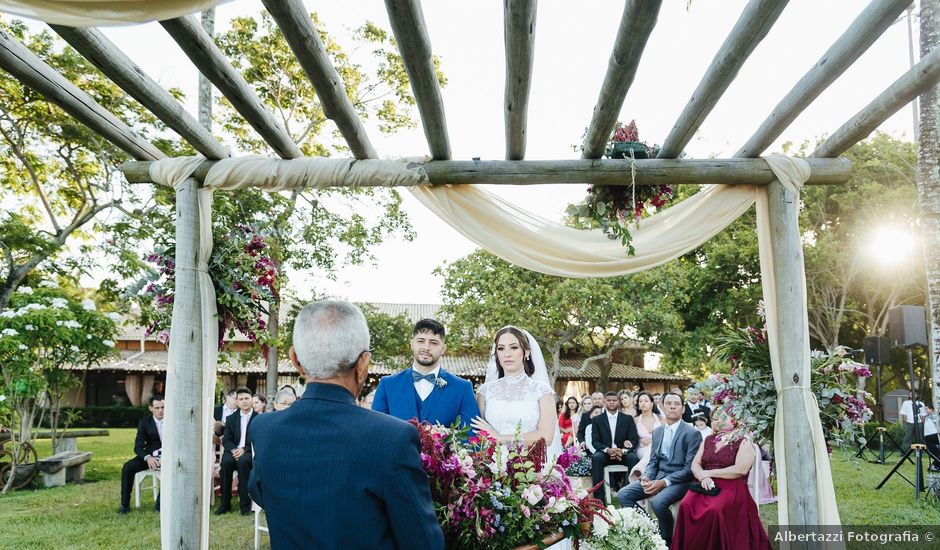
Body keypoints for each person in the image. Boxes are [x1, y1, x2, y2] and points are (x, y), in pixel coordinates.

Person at [248, 300, 443, 549]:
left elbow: (261, 492)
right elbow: (423, 542)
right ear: (363, 364)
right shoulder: (392, 437)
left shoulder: (264, 429)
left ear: (295, 359)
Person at [471, 326, 570, 550]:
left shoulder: (541, 391)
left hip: (533, 470)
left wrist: (499, 437)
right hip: (493, 474)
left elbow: (545, 435)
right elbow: (479, 434)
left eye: (513, 347)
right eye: (501, 348)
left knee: (532, 535)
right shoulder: (485, 392)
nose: (507, 353)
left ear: (525, 351)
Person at [671, 409, 771, 550]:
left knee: (714, 510)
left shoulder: (743, 442)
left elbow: (740, 470)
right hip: (704, 484)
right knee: (686, 505)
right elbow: (695, 464)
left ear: (734, 420)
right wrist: (702, 476)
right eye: (715, 418)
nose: (717, 421)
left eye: (722, 417)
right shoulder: (708, 440)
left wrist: (708, 473)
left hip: (732, 485)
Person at [617, 392, 701, 547]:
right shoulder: (658, 432)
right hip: (657, 476)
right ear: (662, 406)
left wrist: (663, 482)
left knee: (658, 502)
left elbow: (689, 469)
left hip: (680, 481)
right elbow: (653, 460)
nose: (672, 407)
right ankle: (650, 529)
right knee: (623, 495)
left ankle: (666, 540)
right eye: (668, 403)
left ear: (683, 409)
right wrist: (646, 476)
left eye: (677, 404)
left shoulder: (692, 433)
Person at [373, 318, 480, 427]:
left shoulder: (462, 388)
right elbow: (376, 428)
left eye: (433, 343)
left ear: (443, 349)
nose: (426, 347)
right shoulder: (387, 385)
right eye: (420, 341)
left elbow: (470, 437)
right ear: (411, 344)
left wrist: (443, 435)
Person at [118, 395, 164, 514]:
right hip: (151, 456)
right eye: (157, 408)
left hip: (169, 457)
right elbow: (138, 446)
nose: (161, 411)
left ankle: (160, 506)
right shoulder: (145, 423)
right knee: (128, 467)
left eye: (163, 407)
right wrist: (147, 457)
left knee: (170, 471)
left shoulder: (174, 421)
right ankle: (124, 505)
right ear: (151, 408)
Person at [216, 387, 257, 516]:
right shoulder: (231, 419)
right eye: (241, 399)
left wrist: (244, 450)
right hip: (232, 450)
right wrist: (234, 450)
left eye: (247, 398)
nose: (244, 401)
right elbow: (226, 440)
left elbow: (258, 439)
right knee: (226, 464)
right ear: (237, 402)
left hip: (250, 451)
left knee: (243, 463)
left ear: (251, 400)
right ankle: (225, 504)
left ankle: (244, 505)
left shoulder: (258, 418)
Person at [589, 392, 639, 499]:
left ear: (618, 402)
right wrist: (608, 450)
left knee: (633, 458)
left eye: (614, 400)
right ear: (604, 402)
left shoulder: (627, 419)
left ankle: (632, 495)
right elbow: (595, 441)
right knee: (596, 458)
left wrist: (623, 450)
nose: (612, 402)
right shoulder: (597, 420)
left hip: (623, 453)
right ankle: (599, 499)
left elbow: (634, 440)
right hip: (605, 453)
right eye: (609, 400)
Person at [629, 391, 662, 481]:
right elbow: (632, 437)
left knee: (653, 447)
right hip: (642, 448)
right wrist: (639, 441)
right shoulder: (635, 420)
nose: (643, 403)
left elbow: (665, 435)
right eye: (640, 401)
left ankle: (639, 469)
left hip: (659, 447)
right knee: (650, 450)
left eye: (646, 401)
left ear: (651, 403)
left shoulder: (661, 418)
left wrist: (652, 440)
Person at [923, 404, 940, 471]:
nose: (926, 410)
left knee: (936, 453)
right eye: (925, 409)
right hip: (928, 436)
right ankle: (935, 465)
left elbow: (937, 425)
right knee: (935, 452)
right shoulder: (926, 417)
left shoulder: (934, 416)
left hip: (934, 435)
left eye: (927, 409)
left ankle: (935, 465)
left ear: (931, 409)